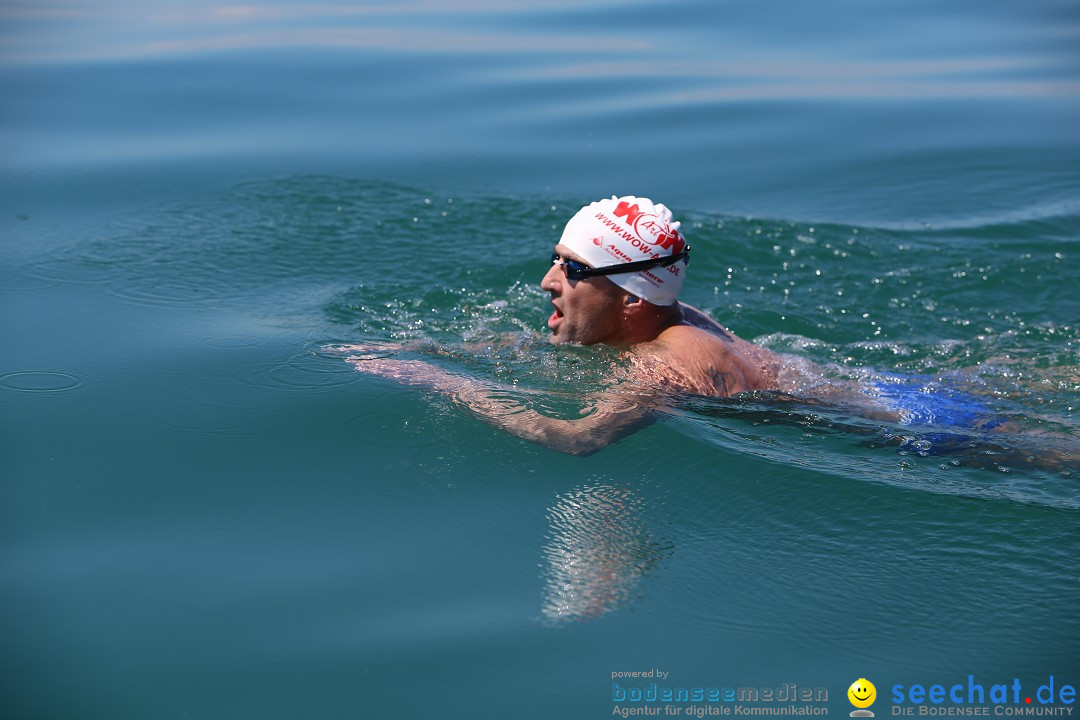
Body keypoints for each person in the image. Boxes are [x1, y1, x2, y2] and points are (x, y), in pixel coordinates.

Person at [339, 195, 791, 455]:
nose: (547, 280)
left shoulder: (661, 366)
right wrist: (435, 348)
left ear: (632, 298)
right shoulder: (660, 313)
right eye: (555, 259)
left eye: (573, 270)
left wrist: (438, 381)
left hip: (849, 429)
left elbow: (580, 438)